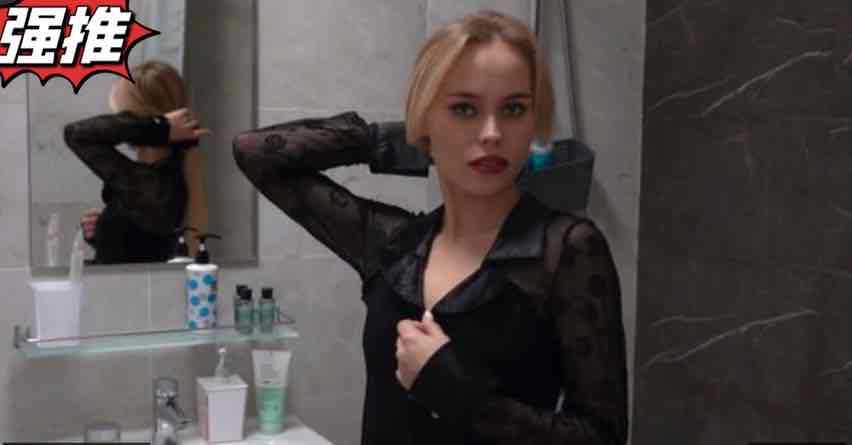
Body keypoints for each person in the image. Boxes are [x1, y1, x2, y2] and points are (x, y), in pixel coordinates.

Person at [233, 10, 627, 445]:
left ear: (534, 121)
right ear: (425, 121)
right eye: (464, 109)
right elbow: (256, 153)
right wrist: (412, 141)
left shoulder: (564, 250)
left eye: (514, 108)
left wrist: (458, 392)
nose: (492, 133)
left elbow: (602, 437)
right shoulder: (393, 246)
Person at [65, 60, 209, 264]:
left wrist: (160, 127)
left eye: (124, 117)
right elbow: (142, 251)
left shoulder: (155, 187)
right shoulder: (157, 182)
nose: (119, 125)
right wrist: (105, 234)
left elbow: (76, 134)